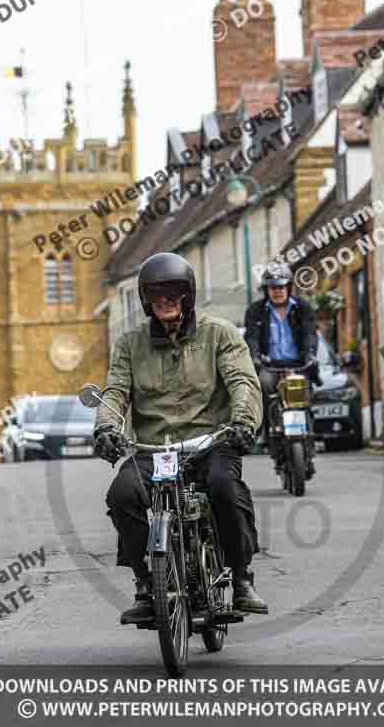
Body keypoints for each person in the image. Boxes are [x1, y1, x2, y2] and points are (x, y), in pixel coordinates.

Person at [93, 252, 268, 624]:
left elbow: (242, 382)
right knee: (122, 494)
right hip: (156, 448)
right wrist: (106, 427)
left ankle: (240, 578)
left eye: (173, 295)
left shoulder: (218, 334)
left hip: (212, 442)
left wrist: (242, 422)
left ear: (187, 297)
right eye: (157, 296)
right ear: (146, 301)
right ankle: (145, 581)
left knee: (224, 487)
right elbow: (116, 392)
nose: (165, 303)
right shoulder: (129, 345)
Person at [244, 261, 319, 448]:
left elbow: (310, 334)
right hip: (269, 364)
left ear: (289, 287)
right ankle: (266, 431)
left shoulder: (303, 308)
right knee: (264, 384)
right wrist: (255, 356)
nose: (277, 291)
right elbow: (251, 338)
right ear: (266, 289)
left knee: (303, 393)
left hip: (298, 363)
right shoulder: (255, 311)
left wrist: (310, 355)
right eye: (272, 287)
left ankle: (308, 436)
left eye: (281, 286)